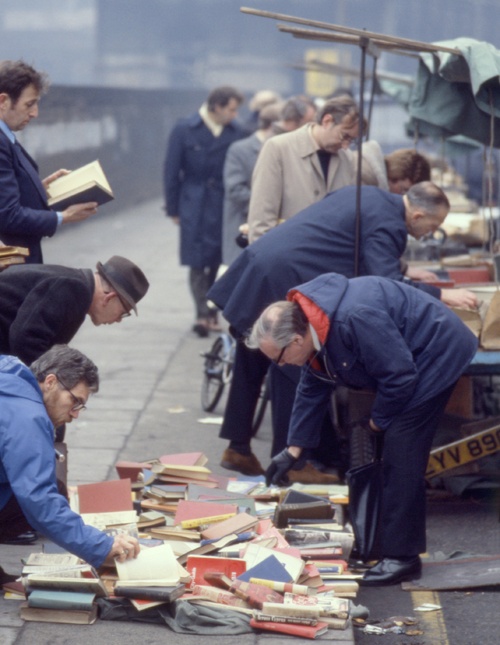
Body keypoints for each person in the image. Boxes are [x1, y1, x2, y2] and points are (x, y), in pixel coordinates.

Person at [208, 182, 478, 479]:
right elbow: (385, 277)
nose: (430, 232)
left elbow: (352, 245)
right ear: (416, 215)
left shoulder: (364, 193)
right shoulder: (391, 224)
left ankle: (238, 446)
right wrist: (440, 294)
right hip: (288, 276)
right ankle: (295, 467)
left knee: (254, 357)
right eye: (433, 224)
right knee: (289, 369)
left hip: (260, 265)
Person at [248, 272, 478, 585]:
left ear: (297, 340)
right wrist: (293, 450)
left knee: (402, 449)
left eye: (279, 357)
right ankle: (381, 543)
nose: (282, 365)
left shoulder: (353, 318)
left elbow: (400, 377)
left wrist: (378, 420)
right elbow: (312, 385)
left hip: (436, 352)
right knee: (392, 446)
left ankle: (402, 557)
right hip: (409, 359)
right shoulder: (313, 325)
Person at [0, 345, 140, 585]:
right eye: (74, 401)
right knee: (38, 495)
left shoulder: (10, 379)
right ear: (51, 381)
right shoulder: (29, 416)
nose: (75, 414)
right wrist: (101, 546)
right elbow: (39, 500)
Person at [163, 85, 246, 337]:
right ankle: (201, 313)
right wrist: (173, 208)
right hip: (194, 203)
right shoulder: (184, 128)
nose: (234, 114)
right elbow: (171, 171)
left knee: (219, 261)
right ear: (216, 107)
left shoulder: (236, 131)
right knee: (197, 261)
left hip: (223, 204)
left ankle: (212, 311)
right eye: (230, 109)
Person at [0, 60, 100, 263]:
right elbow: (8, 215)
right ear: (3, 101)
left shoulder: (6, 138)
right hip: (12, 268)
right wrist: (63, 216)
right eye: (29, 104)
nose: (35, 113)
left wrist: (37, 189)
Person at [247, 95, 362, 243]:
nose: (346, 145)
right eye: (344, 136)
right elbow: (261, 220)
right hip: (285, 257)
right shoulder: (278, 148)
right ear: (327, 121)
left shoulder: (347, 158)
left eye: (352, 140)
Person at [0, 255, 149, 365]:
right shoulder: (74, 289)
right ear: (109, 298)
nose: (118, 320)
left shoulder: (79, 286)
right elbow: (25, 340)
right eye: (123, 313)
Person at [222, 102, 281, 266]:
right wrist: (266, 205)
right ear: (273, 126)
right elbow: (235, 189)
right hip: (243, 225)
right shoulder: (240, 149)